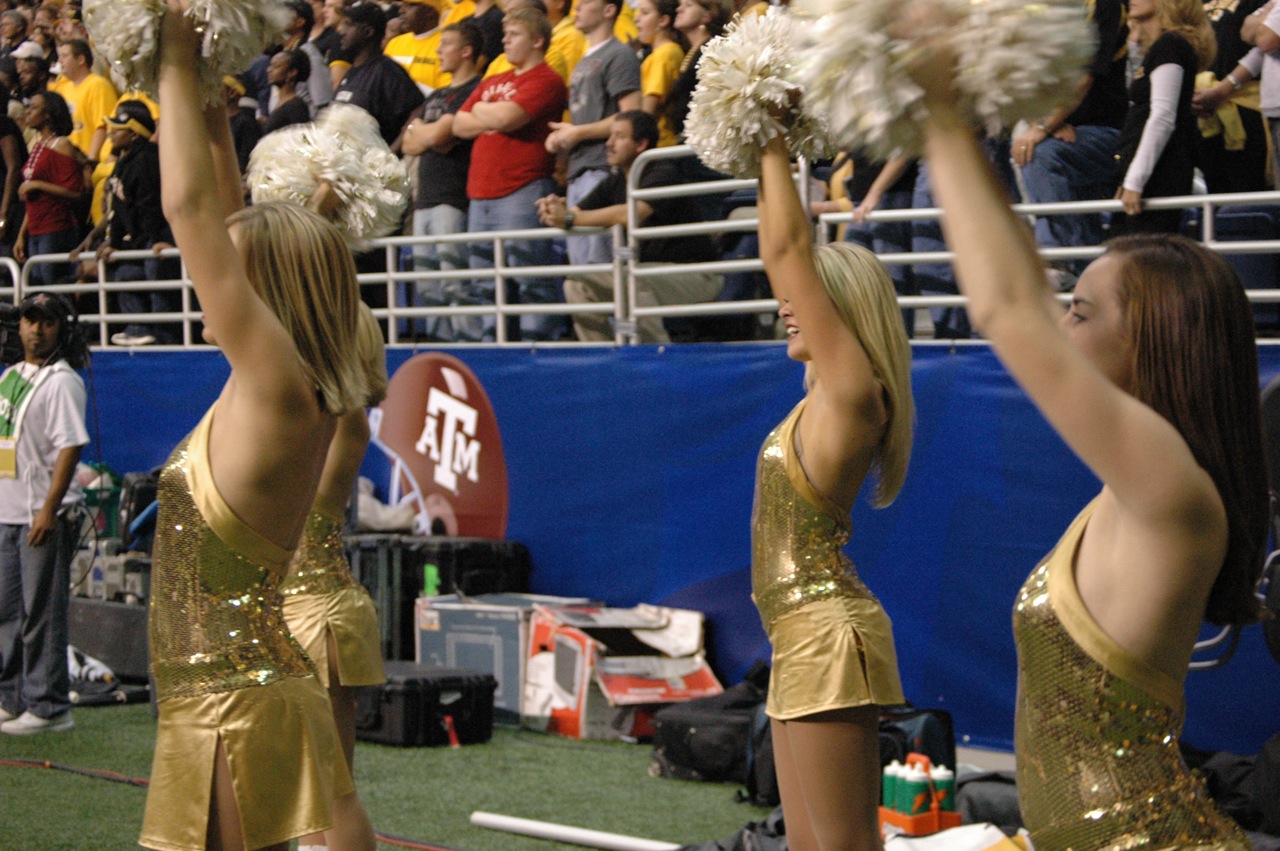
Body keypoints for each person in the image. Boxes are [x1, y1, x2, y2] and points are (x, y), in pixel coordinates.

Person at [910, 18, 1265, 849]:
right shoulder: (1132, 484)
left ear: (1151, 344)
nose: (1058, 328)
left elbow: (1004, 306)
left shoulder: (1172, 492)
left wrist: (938, 107)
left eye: (1077, 312)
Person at [141, 4, 375, 850]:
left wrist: (168, 42)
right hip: (225, 693)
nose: (208, 287)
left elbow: (191, 209)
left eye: (228, 274)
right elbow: (225, 202)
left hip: (234, 704)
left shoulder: (280, 388)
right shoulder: (274, 383)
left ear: (264, 292)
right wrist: (208, 84)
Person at [749, 126, 915, 848]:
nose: (787, 301)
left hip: (826, 636)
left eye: (808, 295)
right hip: (797, 636)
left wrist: (767, 139)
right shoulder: (816, 401)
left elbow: (784, 253)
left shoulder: (856, 397)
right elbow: (782, 259)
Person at [282, 303, 387, 851]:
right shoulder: (319, 420)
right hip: (300, 612)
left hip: (315, 614)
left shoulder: (344, 424)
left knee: (332, 788)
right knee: (313, 789)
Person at [536, 110, 721, 342]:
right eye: (610, 136)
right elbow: (575, 212)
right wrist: (553, 209)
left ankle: (652, 359)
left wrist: (570, 220)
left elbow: (632, 214)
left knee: (633, 280)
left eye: (619, 137)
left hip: (696, 275)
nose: (609, 143)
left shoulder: (662, 171)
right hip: (648, 272)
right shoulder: (615, 180)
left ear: (641, 144)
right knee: (577, 284)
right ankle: (604, 361)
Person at [0, 292, 88, 736]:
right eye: (30, 320)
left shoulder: (62, 381)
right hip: (8, 512)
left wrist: (49, 510)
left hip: (41, 515)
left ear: (60, 329)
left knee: (41, 613)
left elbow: (70, 447)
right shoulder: (12, 376)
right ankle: (13, 697)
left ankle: (50, 705)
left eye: (47, 322)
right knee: (8, 611)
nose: (37, 329)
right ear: (18, 327)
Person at [453, 8, 569, 341]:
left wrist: (481, 111)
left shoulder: (547, 79)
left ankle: (539, 351)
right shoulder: (493, 80)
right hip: (480, 193)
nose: (505, 40)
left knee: (531, 279)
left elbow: (506, 118)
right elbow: (459, 125)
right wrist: (491, 114)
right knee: (484, 281)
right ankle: (494, 348)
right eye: (504, 34)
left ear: (537, 40)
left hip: (523, 189)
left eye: (514, 34)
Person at [1012, 0, 1129, 268]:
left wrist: (1044, 127)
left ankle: (1059, 261)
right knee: (1027, 150)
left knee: (1039, 156)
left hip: (1107, 132)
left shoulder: (1103, 5)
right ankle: (1084, 271)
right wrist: (1046, 123)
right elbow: (1021, 78)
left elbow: (1085, 78)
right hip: (1062, 131)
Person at [70, 101, 177, 347]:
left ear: (134, 133)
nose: (110, 134)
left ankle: (165, 335)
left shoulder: (149, 159)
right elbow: (119, 208)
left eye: (117, 130)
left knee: (156, 277)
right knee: (123, 275)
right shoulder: (124, 161)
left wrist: (159, 238)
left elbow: (152, 205)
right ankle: (137, 327)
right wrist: (114, 242)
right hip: (139, 239)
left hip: (158, 236)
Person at [402, 19, 484, 341]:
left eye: (445, 43)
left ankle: (470, 348)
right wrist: (428, 134)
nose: (437, 49)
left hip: (453, 196)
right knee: (428, 286)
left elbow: (441, 137)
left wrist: (426, 133)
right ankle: (443, 348)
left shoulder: (477, 89)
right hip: (425, 199)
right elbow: (409, 141)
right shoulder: (437, 93)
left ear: (466, 51)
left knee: (455, 281)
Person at [545, 0, 640, 269]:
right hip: (580, 168)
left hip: (602, 169)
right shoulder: (585, 59)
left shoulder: (619, 54)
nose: (577, 7)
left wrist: (576, 133)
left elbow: (630, 117)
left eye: (586, 2)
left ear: (609, 10)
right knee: (582, 268)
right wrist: (563, 137)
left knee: (600, 267)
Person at [1112, 0, 1216, 234]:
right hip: (1149, 173)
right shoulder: (1163, 46)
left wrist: (1134, 181)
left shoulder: (1171, 44)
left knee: (1143, 259)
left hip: (1160, 176)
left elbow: (1162, 117)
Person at [1191, 0, 1267, 194]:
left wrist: (1223, 89)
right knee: (1215, 192)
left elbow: (1262, 49)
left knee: (1247, 189)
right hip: (1203, 110)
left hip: (1245, 106)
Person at [14, 91, 87, 288]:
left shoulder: (60, 144)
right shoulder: (37, 145)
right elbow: (32, 199)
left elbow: (76, 192)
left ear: (48, 114)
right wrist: (22, 235)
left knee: (52, 286)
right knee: (37, 285)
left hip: (55, 228)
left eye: (34, 107)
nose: (28, 112)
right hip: (36, 229)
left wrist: (38, 184)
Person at [332, 2, 425, 145]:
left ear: (368, 32)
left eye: (349, 25)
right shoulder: (353, 71)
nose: (341, 31)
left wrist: (391, 154)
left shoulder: (386, 71)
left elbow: (417, 111)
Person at [48, 38, 118, 164]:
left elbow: (102, 126)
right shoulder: (64, 88)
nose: (60, 61)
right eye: (59, 56)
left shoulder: (98, 85)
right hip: (66, 161)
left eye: (64, 56)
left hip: (86, 162)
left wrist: (91, 161)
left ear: (81, 60)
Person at [634, 0, 684, 147]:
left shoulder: (664, 55)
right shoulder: (666, 52)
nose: (636, 18)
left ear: (663, 20)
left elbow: (647, 112)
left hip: (659, 144)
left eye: (645, 13)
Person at [262, 48, 315, 135]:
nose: (269, 70)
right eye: (270, 66)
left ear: (292, 72)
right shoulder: (281, 103)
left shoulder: (296, 107)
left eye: (276, 66)